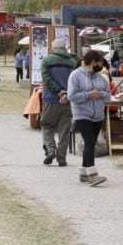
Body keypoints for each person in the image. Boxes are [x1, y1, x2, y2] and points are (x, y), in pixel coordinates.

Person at [67, 50, 110, 186]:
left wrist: (100, 94)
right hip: (81, 114)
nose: (101, 66)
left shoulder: (101, 78)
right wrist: (89, 94)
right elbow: (72, 96)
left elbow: (108, 95)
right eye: (99, 63)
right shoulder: (75, 75)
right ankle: (92, 174)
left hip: (98, 115)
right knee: (90, 141)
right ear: (92, 62)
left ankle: (83, 174)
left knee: (89, 143)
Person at [40, 39, 78, 167]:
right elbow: (76, 81)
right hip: (68, 100)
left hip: (51, 99)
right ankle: (62, 158)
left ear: (54, 48)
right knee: (64, 129)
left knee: (46, 125)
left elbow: (46, 78)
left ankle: (50, 151)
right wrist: (66, 93)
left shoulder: (47, 60)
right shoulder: (73, 62)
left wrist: (58, 91)